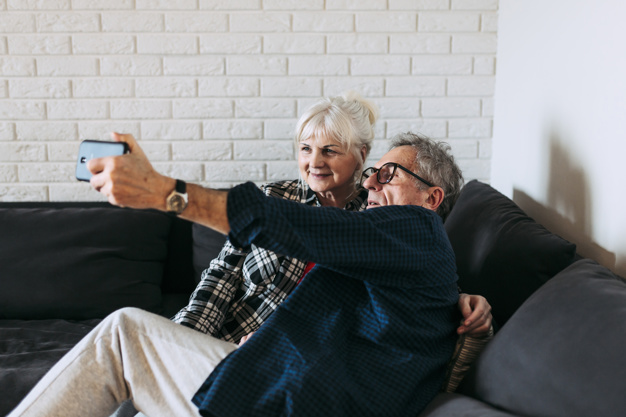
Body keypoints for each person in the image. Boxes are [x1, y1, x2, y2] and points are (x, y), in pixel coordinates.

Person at [9, 131, 480, 417]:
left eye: (389, 173)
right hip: (272, 381)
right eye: (373, 171)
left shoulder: (414, 228)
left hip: (294, 402)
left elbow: (292, 226)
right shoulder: (412, 256)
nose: (372, 182)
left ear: (432, 200)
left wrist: (162, 192)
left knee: (123, 333)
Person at [172, 92, 490, 344]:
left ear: (361, 155)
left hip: (285, 359)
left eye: (330, 150)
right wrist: (182, 340)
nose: (314, 162)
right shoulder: (273, 199)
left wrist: (464, 298)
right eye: (305, 149)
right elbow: (220, 279)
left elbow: (415, 276)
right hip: (225, 342)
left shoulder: (379, 215)